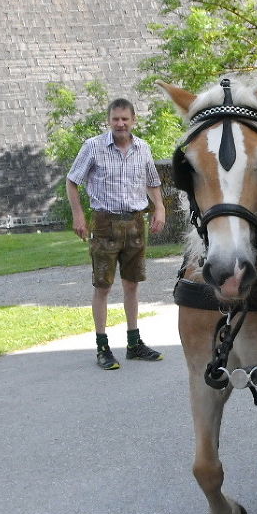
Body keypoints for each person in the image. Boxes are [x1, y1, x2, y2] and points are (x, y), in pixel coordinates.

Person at [67, 98, 166, 370]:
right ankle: (102, 346)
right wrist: (78, 215)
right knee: (103, 286)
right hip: (104, 224)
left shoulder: (143, 148)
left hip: (136, 223)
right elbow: (72, 182)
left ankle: (134, 344)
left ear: (133, 120)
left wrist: (159, 209)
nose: (120, 124)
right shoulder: (93, 147)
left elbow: (153, 182)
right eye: (115, 119)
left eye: (125, 119)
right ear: (109, 120)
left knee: (132, 284)